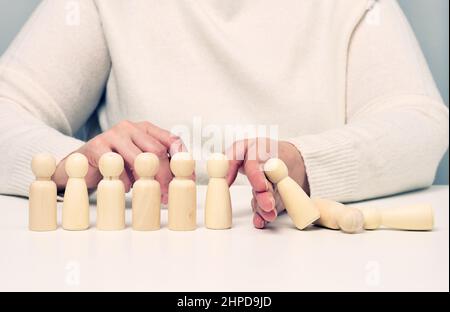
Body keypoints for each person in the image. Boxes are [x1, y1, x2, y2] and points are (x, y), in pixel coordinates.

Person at [0, 0, 447, 229]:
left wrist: (303, 162)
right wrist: (73, 164)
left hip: (305, 262)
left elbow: (420, 125)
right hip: (134, 265)